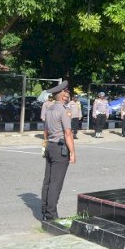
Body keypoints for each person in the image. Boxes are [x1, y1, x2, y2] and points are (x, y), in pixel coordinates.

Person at [41, 83, 76, 221]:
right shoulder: (63, 110)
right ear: (62, 94)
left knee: (48, 181)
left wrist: (45, 146)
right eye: (66, 92)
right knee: (56, 182)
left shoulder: (49, 108)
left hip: (50, 145)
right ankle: (51, 215)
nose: (68, 94)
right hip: (60, 148)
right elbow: (68, 133)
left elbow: (45, 131)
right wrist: (72, 152)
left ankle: (44, 210)